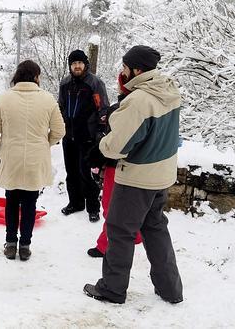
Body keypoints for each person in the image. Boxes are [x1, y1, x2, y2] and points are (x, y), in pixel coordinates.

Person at [84, 45, 183, 304]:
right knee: (155, 228)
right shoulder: (169, 90)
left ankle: (113, 289)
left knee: (120, 231)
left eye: (125, 68)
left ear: (137, 70)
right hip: (162, 175)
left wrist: (99, 148)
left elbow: (118, 145)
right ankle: (170, 289)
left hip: (137, 178)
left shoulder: (139, 101)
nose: (122, 72)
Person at [0, 60, 65, 261]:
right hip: (35, 160)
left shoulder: (4, 99)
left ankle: (10, 243)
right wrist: (44, 143)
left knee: (11, 201)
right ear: (36, 77)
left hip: (10, 159)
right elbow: (59, 131)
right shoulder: (47, 99)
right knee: (30, 203)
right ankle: (26, 245)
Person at [85, 73, 143, 258]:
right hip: (139, 167)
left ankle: (105, 244)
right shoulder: (147, 108)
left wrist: (95, 159)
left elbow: (112, 142)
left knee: (110, 206)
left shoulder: (118, 110)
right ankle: (136, 236)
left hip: (116, 166)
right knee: (132, 206)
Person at [58, 50, 109, 222]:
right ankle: (75, 202)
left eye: (80, 63)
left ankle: (93, 207)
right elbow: (61, 107)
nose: (77, 66)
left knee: (86, 173)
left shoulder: (95, 83)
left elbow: (103, 108)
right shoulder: (65, 83)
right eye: (73, 64)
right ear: (70, 66)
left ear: (85, 64)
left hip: (87, 135)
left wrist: (100, 131)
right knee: (71, 172)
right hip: (69, 135)